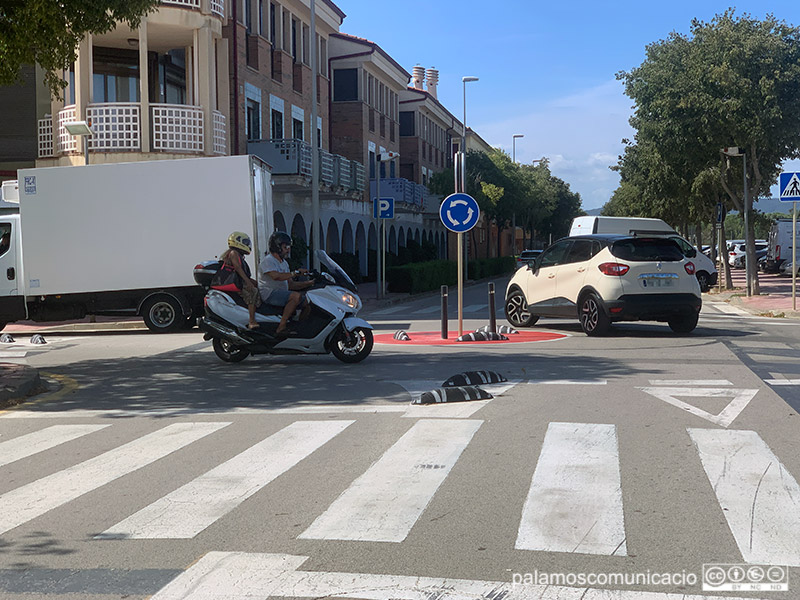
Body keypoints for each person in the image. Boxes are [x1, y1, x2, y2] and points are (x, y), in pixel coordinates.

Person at [259, 231, 314, 336]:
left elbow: (291, 285)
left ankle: (298, 327)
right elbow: (276, 276)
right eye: (286, 247)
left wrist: (310, 283)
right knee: (295, 297)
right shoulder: (268, 261)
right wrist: (296, 272)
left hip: (281, 293)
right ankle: (281, 327)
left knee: (309, 302)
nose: (288, 250)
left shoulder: (284, 263)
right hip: (269, 293)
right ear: (277, 247)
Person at [218, 231, 261, 330]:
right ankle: (251, 321)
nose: (247, 244)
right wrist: (248, 282)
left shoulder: (240, 255)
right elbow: (237, 268)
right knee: (252, 292)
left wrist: (255, 282)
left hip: (241, 281)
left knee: (259, 288)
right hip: (238, 282)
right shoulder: (234, 253)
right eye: (245, 242)